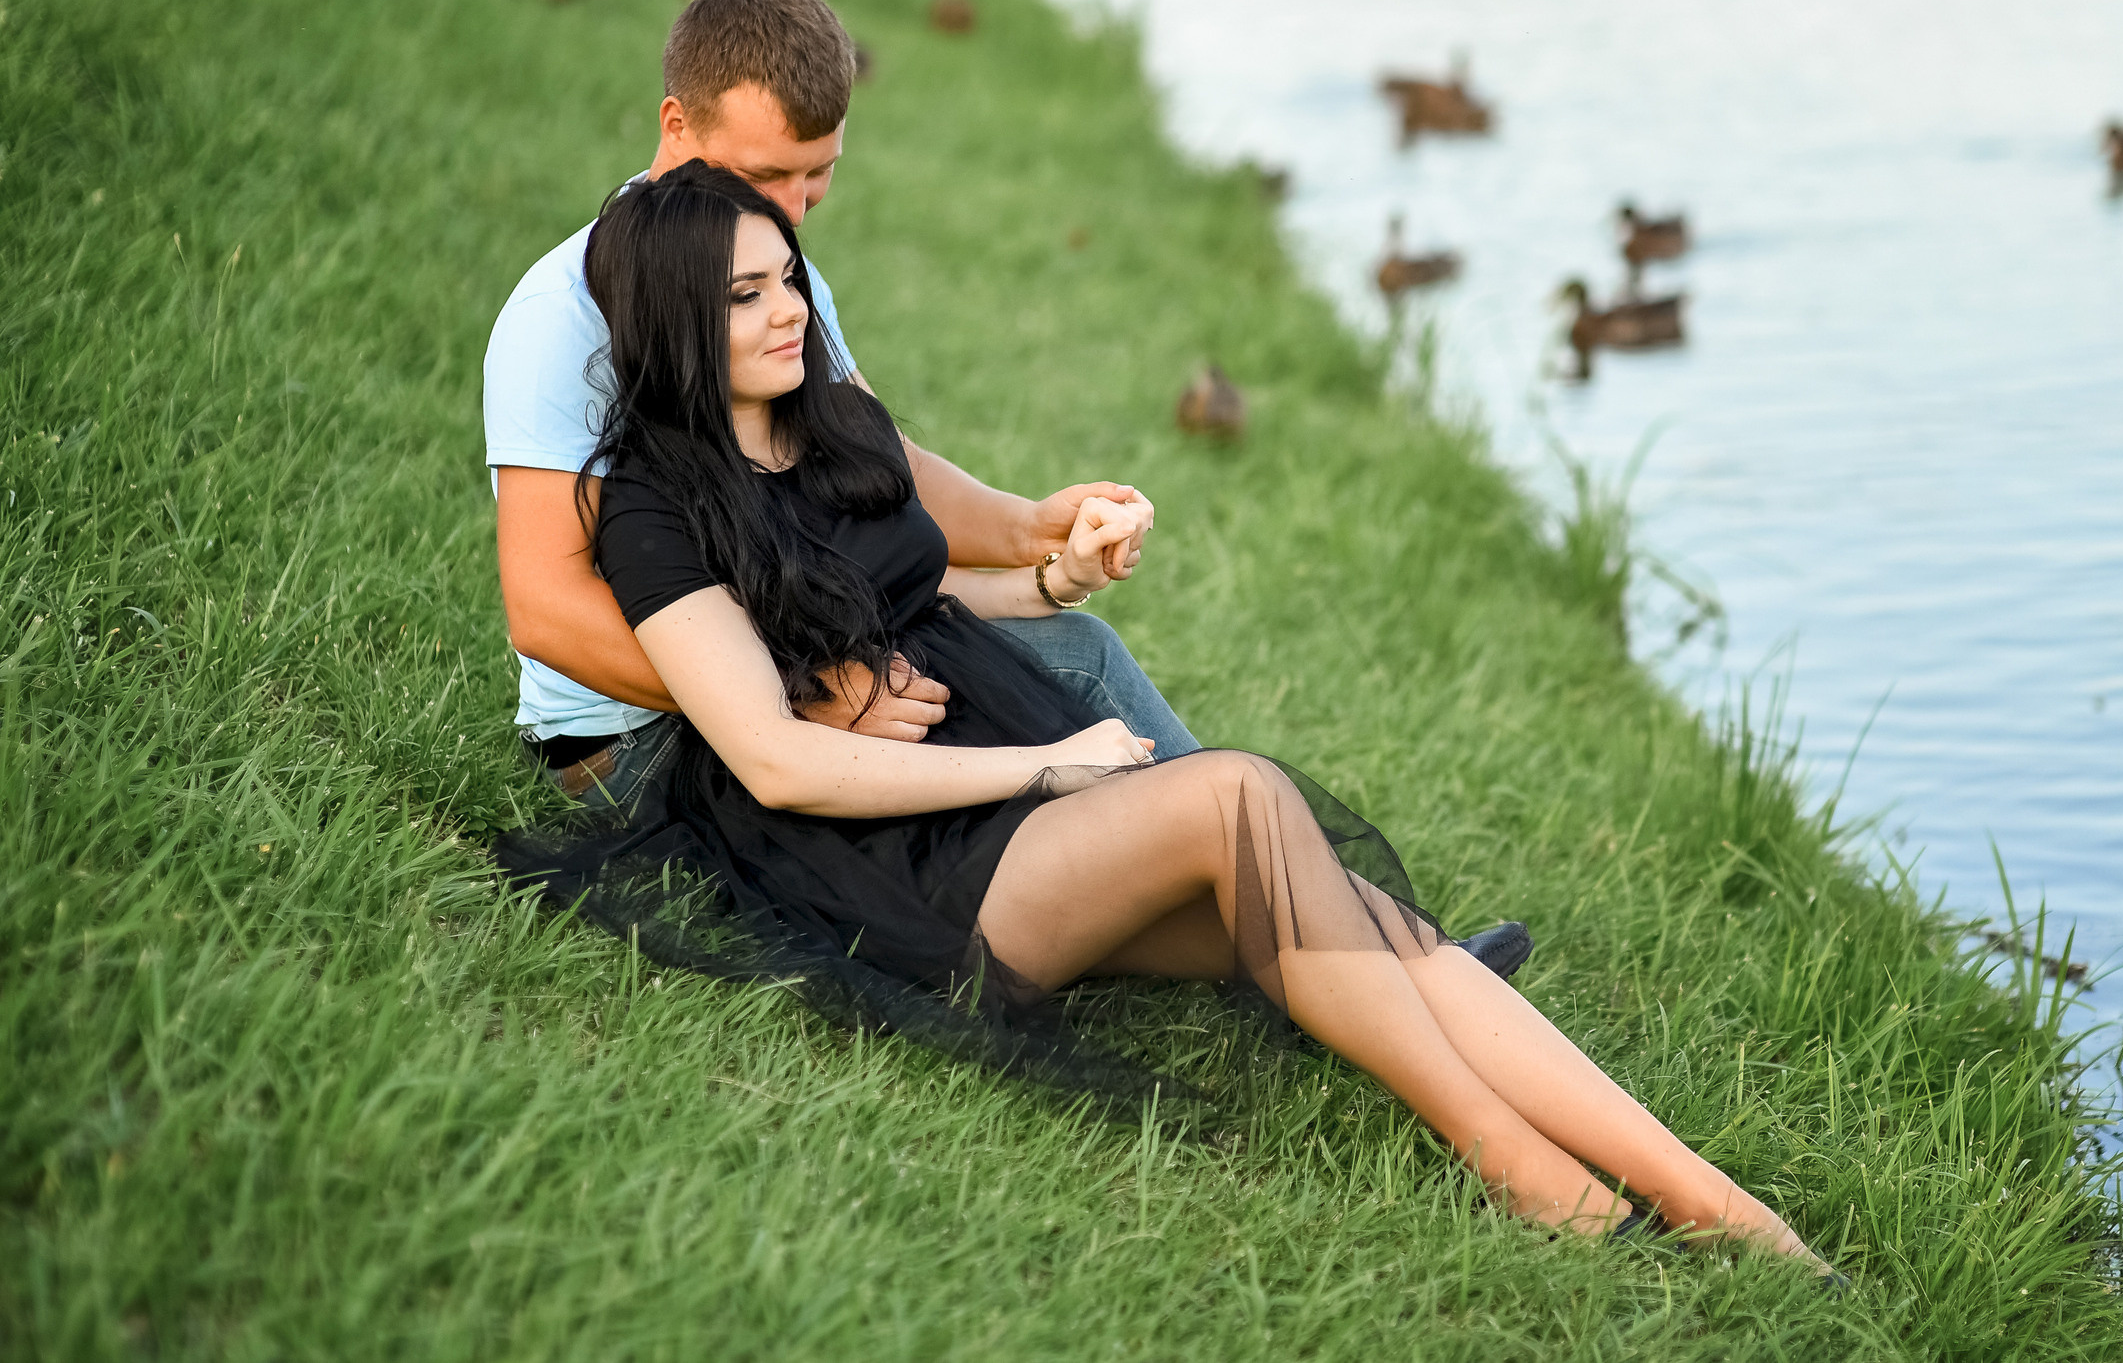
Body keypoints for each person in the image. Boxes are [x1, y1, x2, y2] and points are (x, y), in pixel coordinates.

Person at [497, 165, 1827, 1266]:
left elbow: (906, 583)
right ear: (676, 322)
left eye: (787, 273)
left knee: (1375, 923)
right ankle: (1544, 1185)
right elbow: (778, 763)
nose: (791, 307)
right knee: (1238, 793)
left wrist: (1051, 576)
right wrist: (1054, 765)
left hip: (1000, 807)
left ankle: (1718, 1203)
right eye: (746, 296)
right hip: (899, 872)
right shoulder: (656, 507)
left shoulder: (833, 416)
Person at [482, 0, 1532, 976]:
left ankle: (1331, 927)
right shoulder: (560, 318)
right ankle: (1330, 936)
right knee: (1033, 703)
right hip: (644, 740)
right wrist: (801, 692)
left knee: (1069, 642)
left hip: (791, 655)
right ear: (677, 128)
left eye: (821, 172)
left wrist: (1032, 524)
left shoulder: (760, 257)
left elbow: (867, 467)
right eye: (770, 176)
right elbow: (547, 611)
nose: (798, 208)